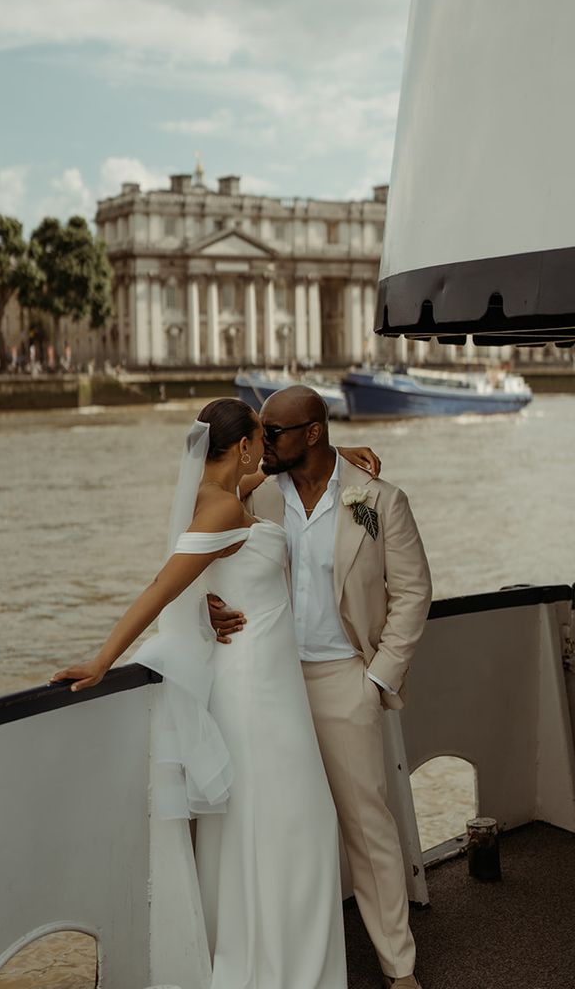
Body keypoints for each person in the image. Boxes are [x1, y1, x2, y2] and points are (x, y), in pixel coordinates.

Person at [51, 399, 382, 988]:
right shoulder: (224, 509)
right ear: (245, 444)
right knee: (296, 823)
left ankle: (273, 959)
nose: (268, 447)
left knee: (272, 826)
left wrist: (337, 458)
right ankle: (283, 970)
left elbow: (259, 483)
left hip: (266, 682)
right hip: (257, 693)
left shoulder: (219, 493)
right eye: (262, 436)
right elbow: (162, 586)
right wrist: (104, 659)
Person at [209, 385, 432, 989]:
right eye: (261, 432)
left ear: (312, 433)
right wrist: (207, 603)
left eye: (273, 433)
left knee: (367, 825)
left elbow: (413, 593)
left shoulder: (379, 500)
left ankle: (399, 967)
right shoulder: (256, 495)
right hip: (269, 681)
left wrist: (376, 680)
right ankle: (291, 959)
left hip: (344, 680)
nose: (262, 443)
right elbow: (203, 543)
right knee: (280, 823)